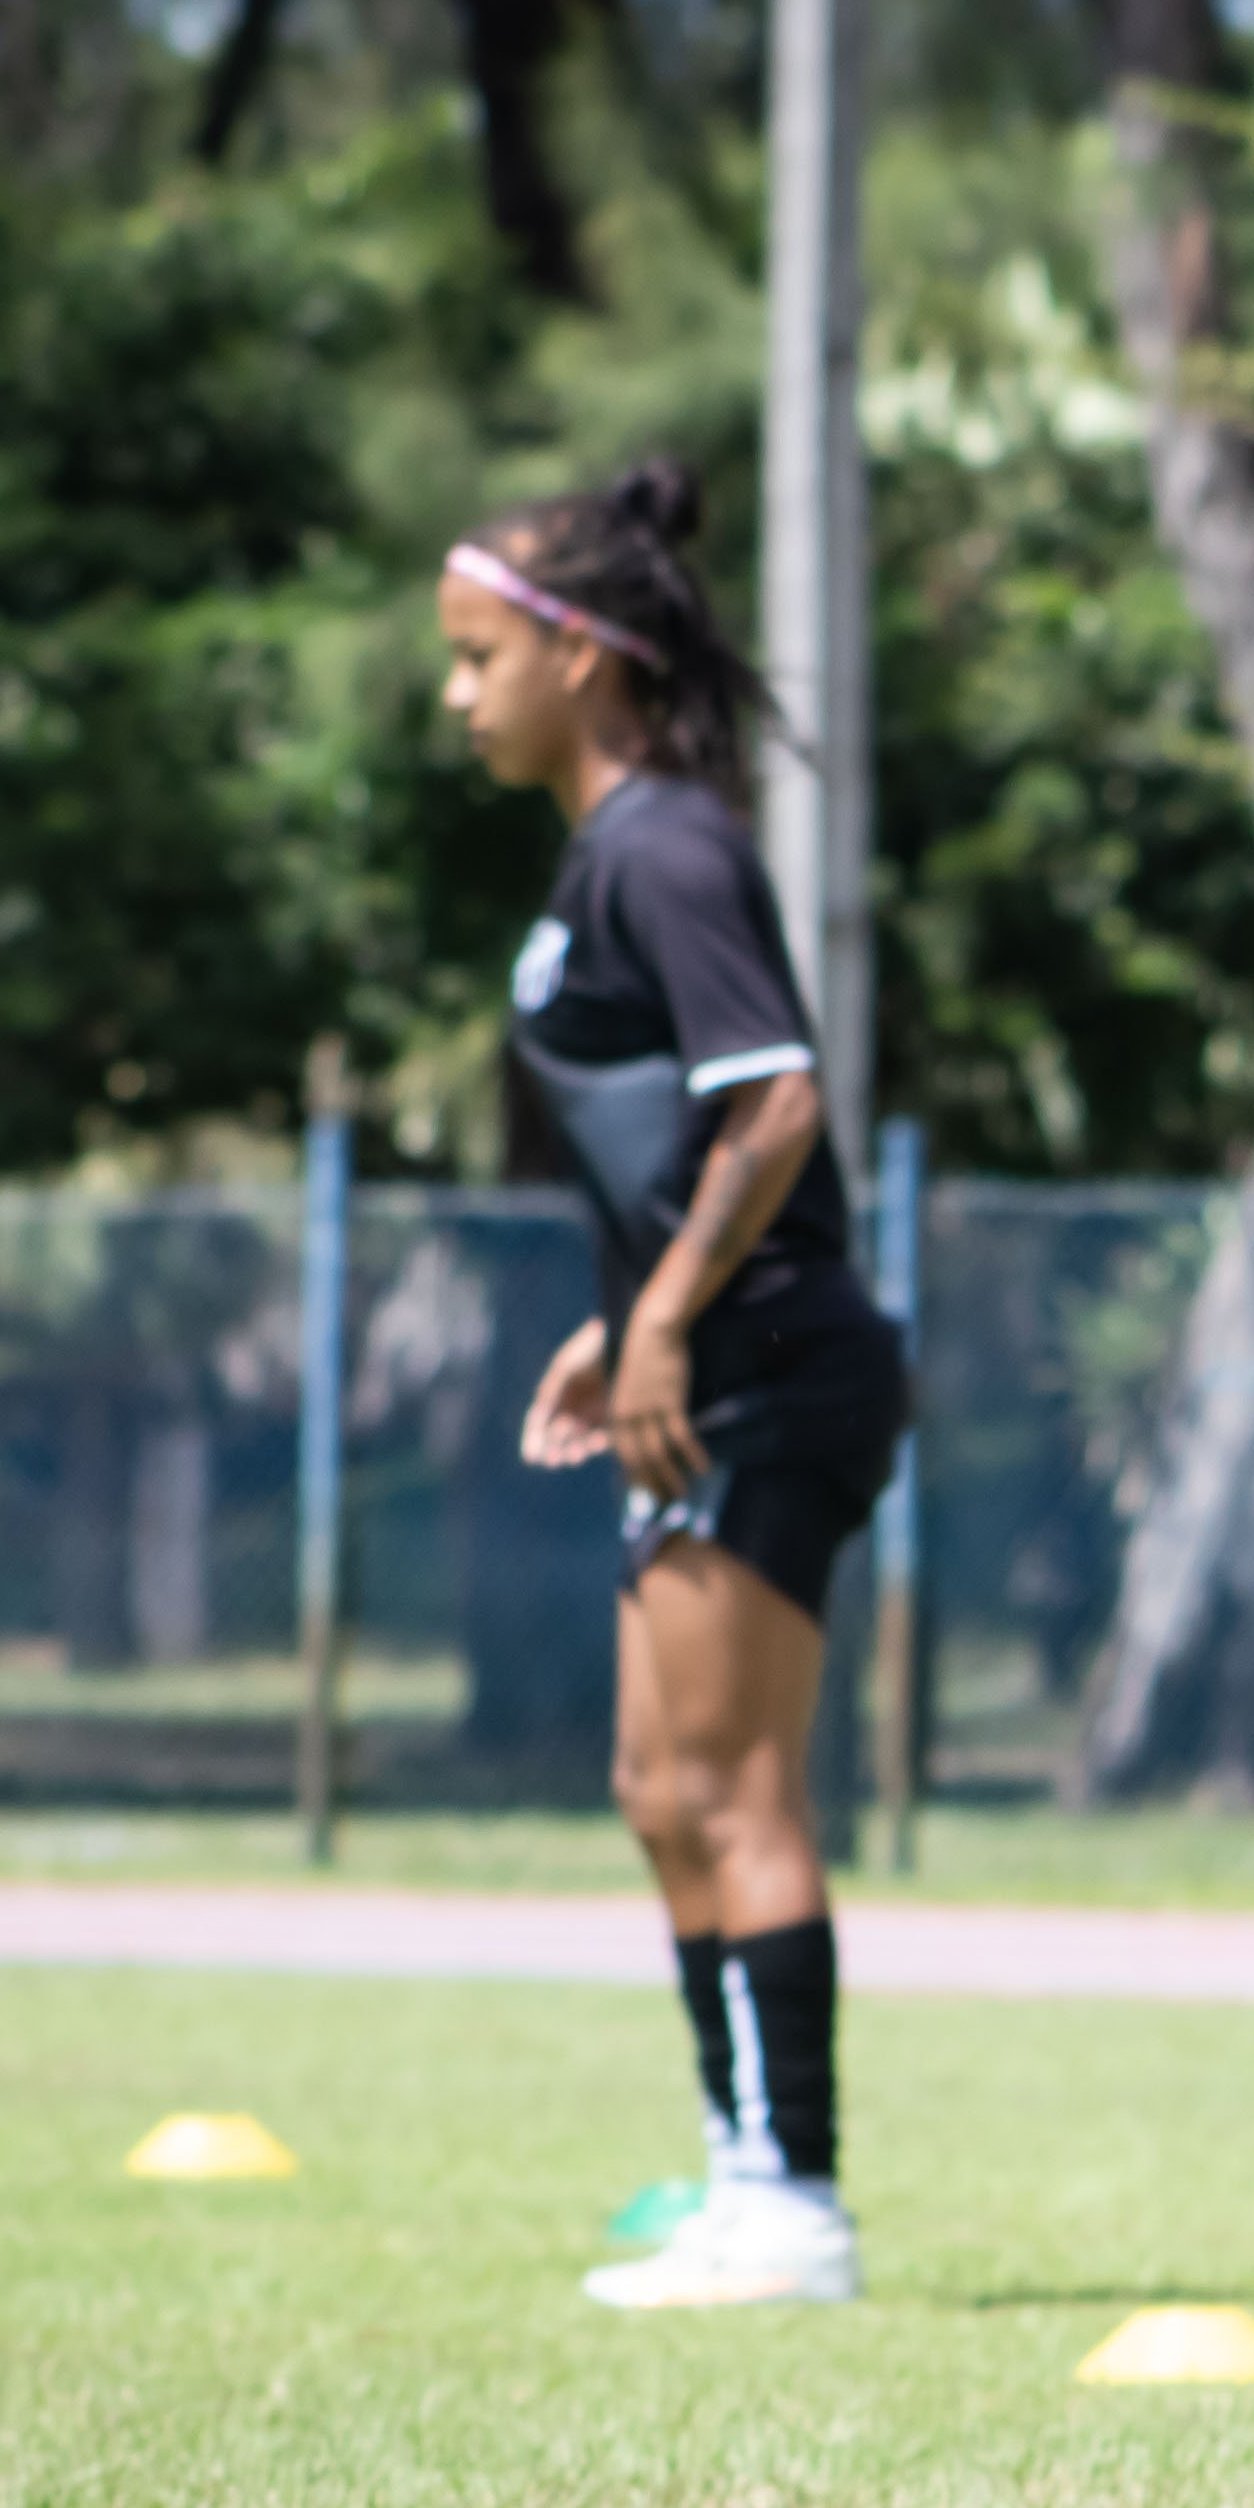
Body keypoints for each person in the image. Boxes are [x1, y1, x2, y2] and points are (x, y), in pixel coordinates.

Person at [438, 460, 910, 2312]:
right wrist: (623, 1310)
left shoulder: (670, 845)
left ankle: (795, 2203)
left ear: (581, 653)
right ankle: (739, 2176)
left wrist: (663, 1319)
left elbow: (775, 1099)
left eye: (481, 656)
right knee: (658, 1782)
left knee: (732, 1786)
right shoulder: (605, 853)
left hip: (770, 1371)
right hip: (706, 1353)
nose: (462, 692)